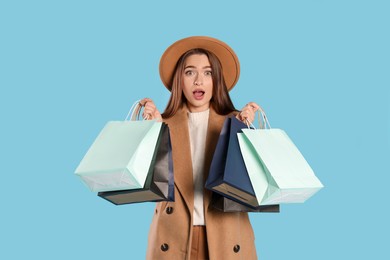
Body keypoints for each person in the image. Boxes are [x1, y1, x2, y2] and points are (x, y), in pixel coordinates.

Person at [140, 36, 263, 260]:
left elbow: (256, 181)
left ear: (217, 79)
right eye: (190, 72)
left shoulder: (234, 123)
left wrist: (245, 127)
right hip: (173, 239)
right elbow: (147, 185)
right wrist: (152, 131)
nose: (199, 80)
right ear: (180, 80)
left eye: (207, 72)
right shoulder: (163, 124)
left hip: (225, 238)